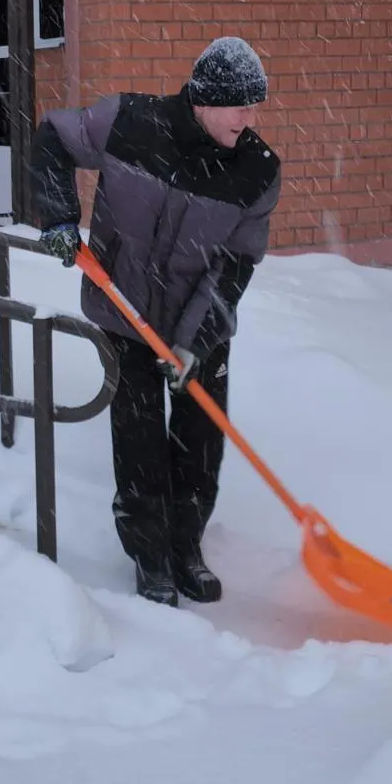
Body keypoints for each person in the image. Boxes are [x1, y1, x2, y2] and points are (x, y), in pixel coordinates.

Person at [30, 36, 282, 606]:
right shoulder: (129, 121)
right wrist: (60, 217)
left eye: (253, 105)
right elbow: (53, 137)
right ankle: (150, 556)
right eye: (239, 104)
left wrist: (194, 342)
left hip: (201, 328)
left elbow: (235, 268)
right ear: (204, 100)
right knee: (138, 436)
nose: (249, 116)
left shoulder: (256, 172)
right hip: (126, 312)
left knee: (199, 438)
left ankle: (186, 547)